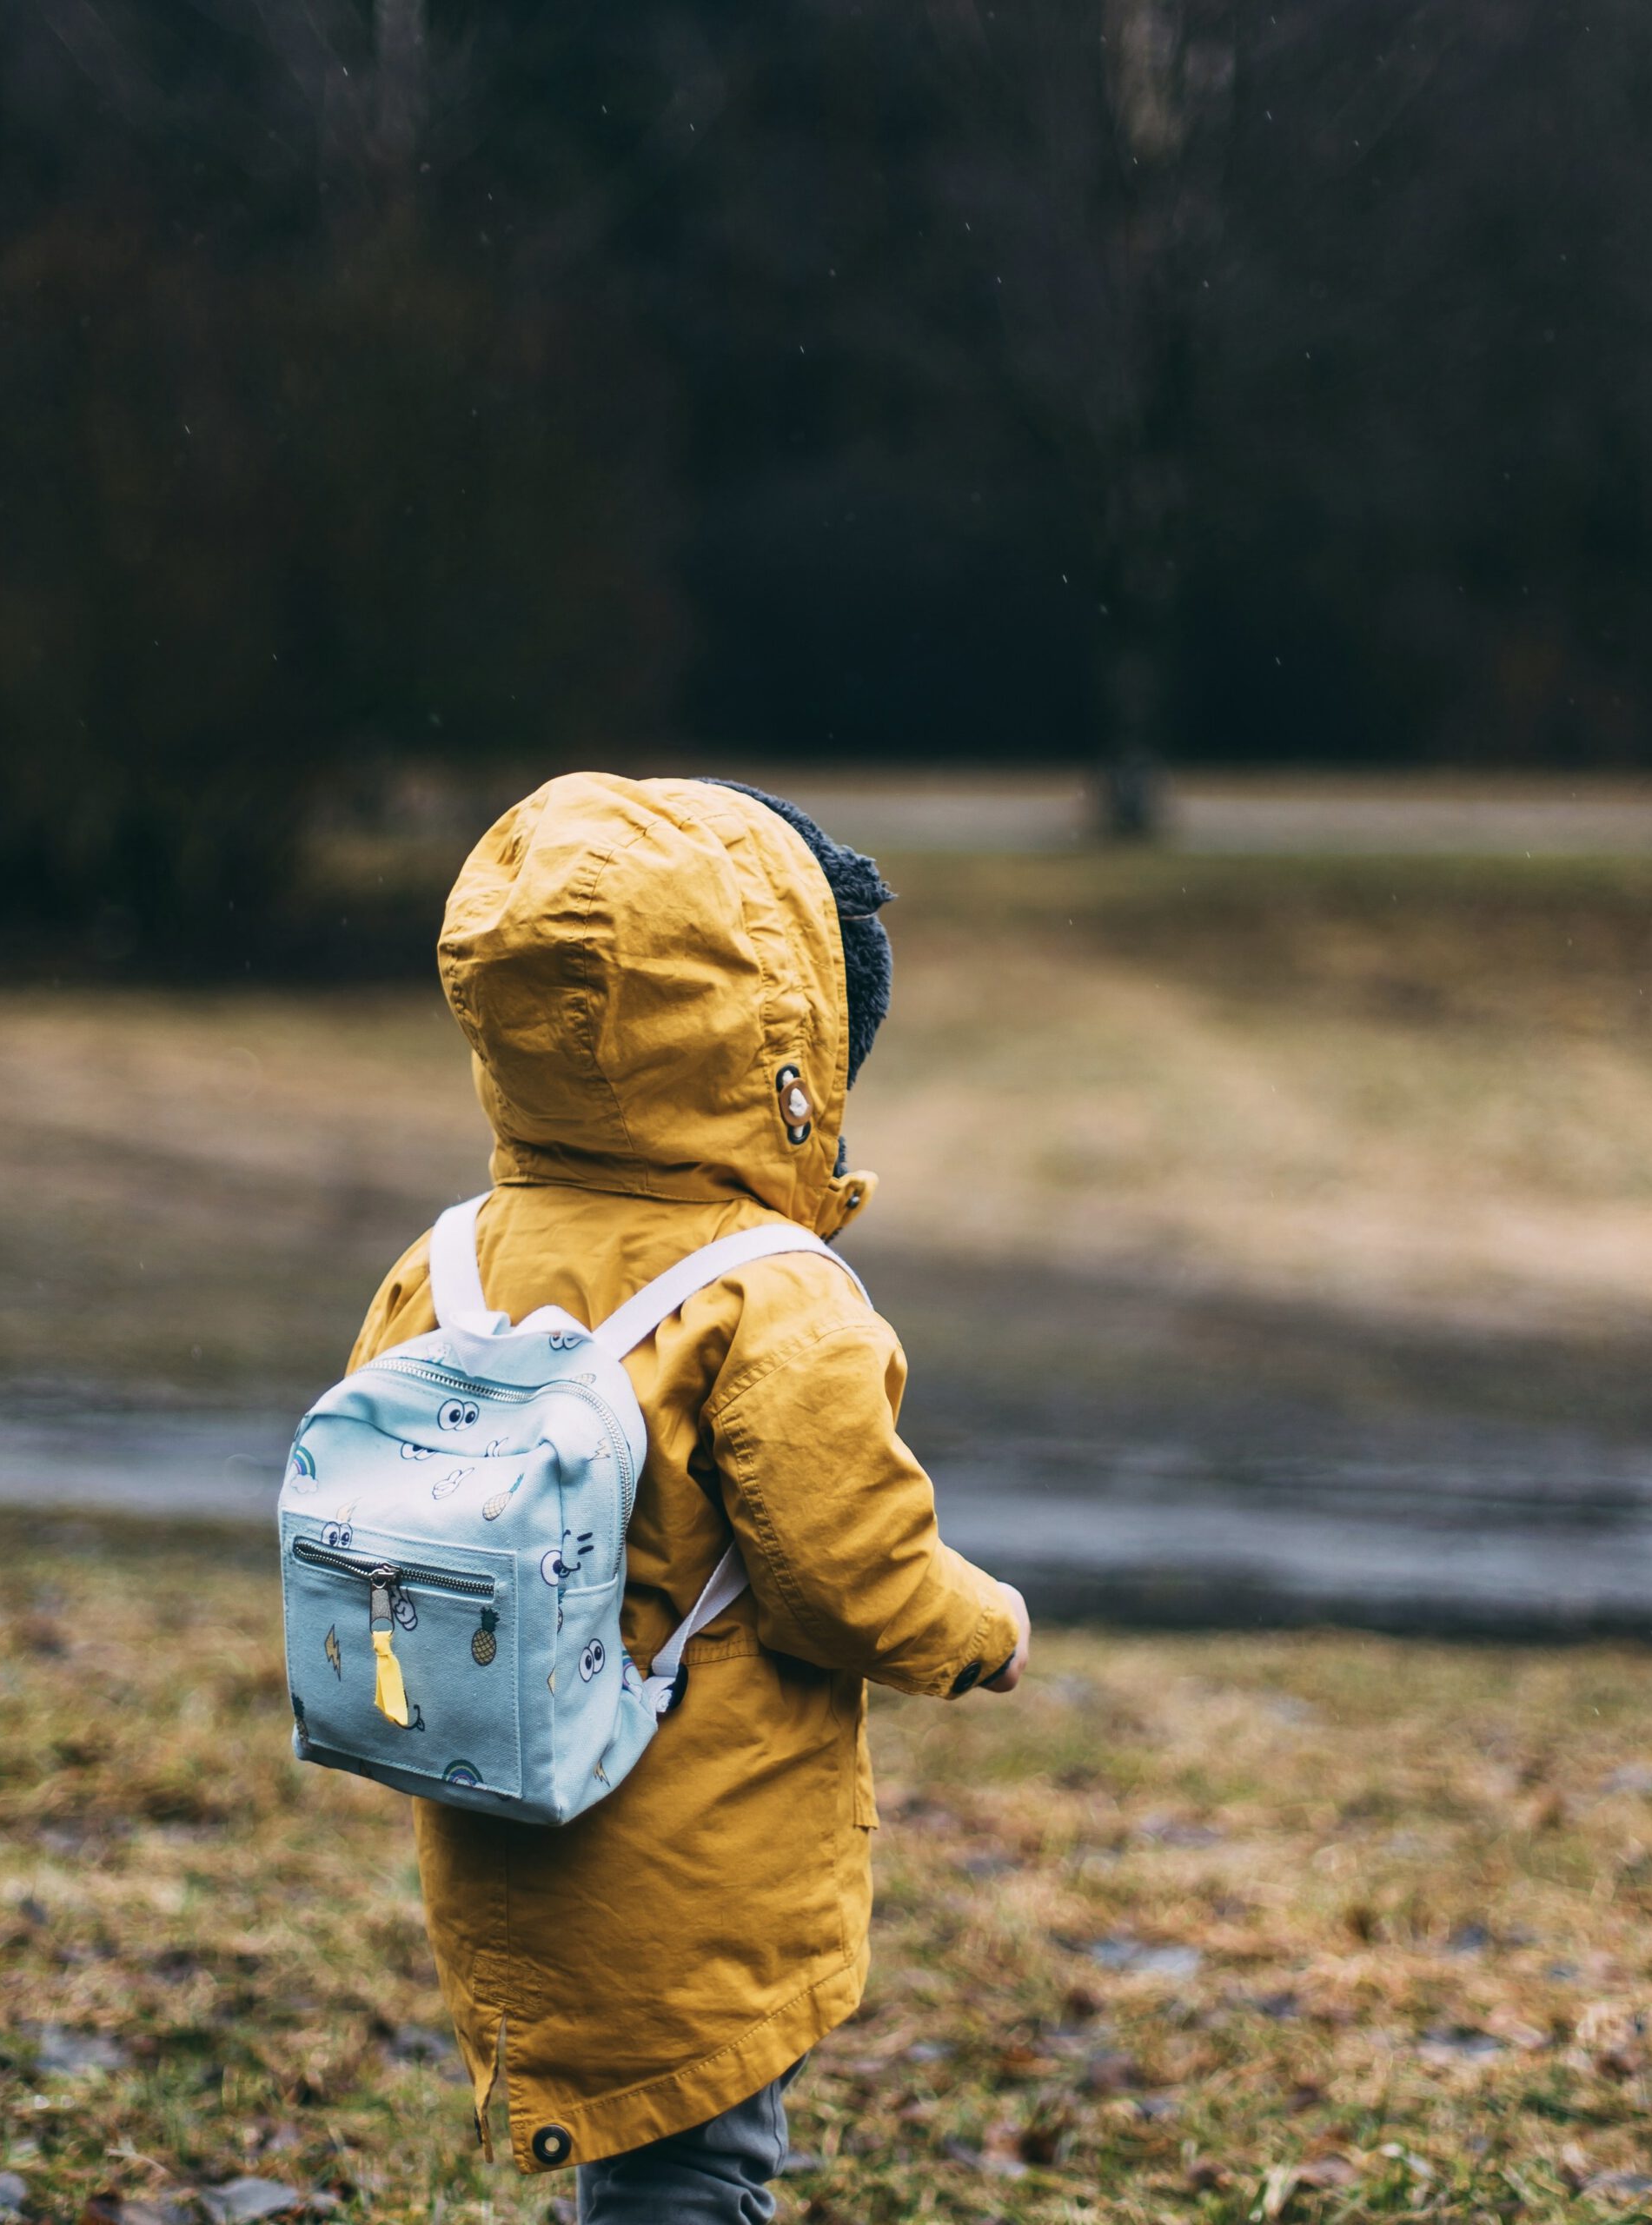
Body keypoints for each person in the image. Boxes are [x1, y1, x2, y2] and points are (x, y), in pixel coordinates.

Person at [347, 773, 1031, 2223]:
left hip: (498, 1798)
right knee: (697, 2170)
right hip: (689, 1832)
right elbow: (851, 1571)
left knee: (639, 2158)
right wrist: (982, 1628)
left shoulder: (451, 1260)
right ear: (787, 1051)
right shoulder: (774, 1300)